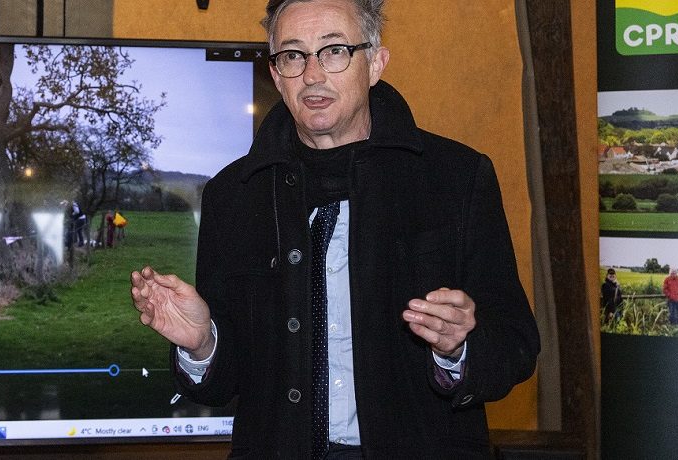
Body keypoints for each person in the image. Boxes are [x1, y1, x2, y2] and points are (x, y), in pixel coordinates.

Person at [129, 0, 539, 457]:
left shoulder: (456, 178)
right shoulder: (234, 195)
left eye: (334, 50)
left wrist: (456, 349)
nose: (312, 74)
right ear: (276, 73)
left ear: (376, 63)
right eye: (293, 55)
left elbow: (515, 346)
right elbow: (227, 384)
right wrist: (204, 344)